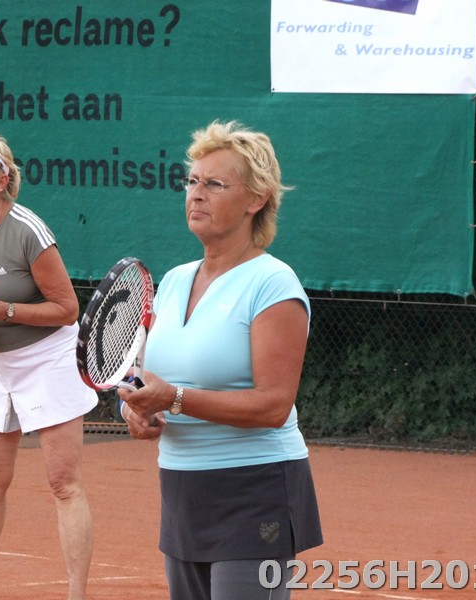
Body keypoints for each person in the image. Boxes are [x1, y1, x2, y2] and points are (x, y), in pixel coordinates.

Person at [118, 120, 323, 600]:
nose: (196, 194)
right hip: (181, 491)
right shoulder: (173, 281)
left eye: (214, 184)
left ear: (257, 199)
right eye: (192, 181)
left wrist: (176, 399)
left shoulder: (273, 284)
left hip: (255, 490)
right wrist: (134, 409)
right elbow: (144, 379)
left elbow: (273, 406)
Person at [0, 127, 97, 600]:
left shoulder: (29, 231)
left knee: (63, 482)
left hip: (49, 358)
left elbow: (67, 308)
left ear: (2, 178)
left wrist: (5, 312)